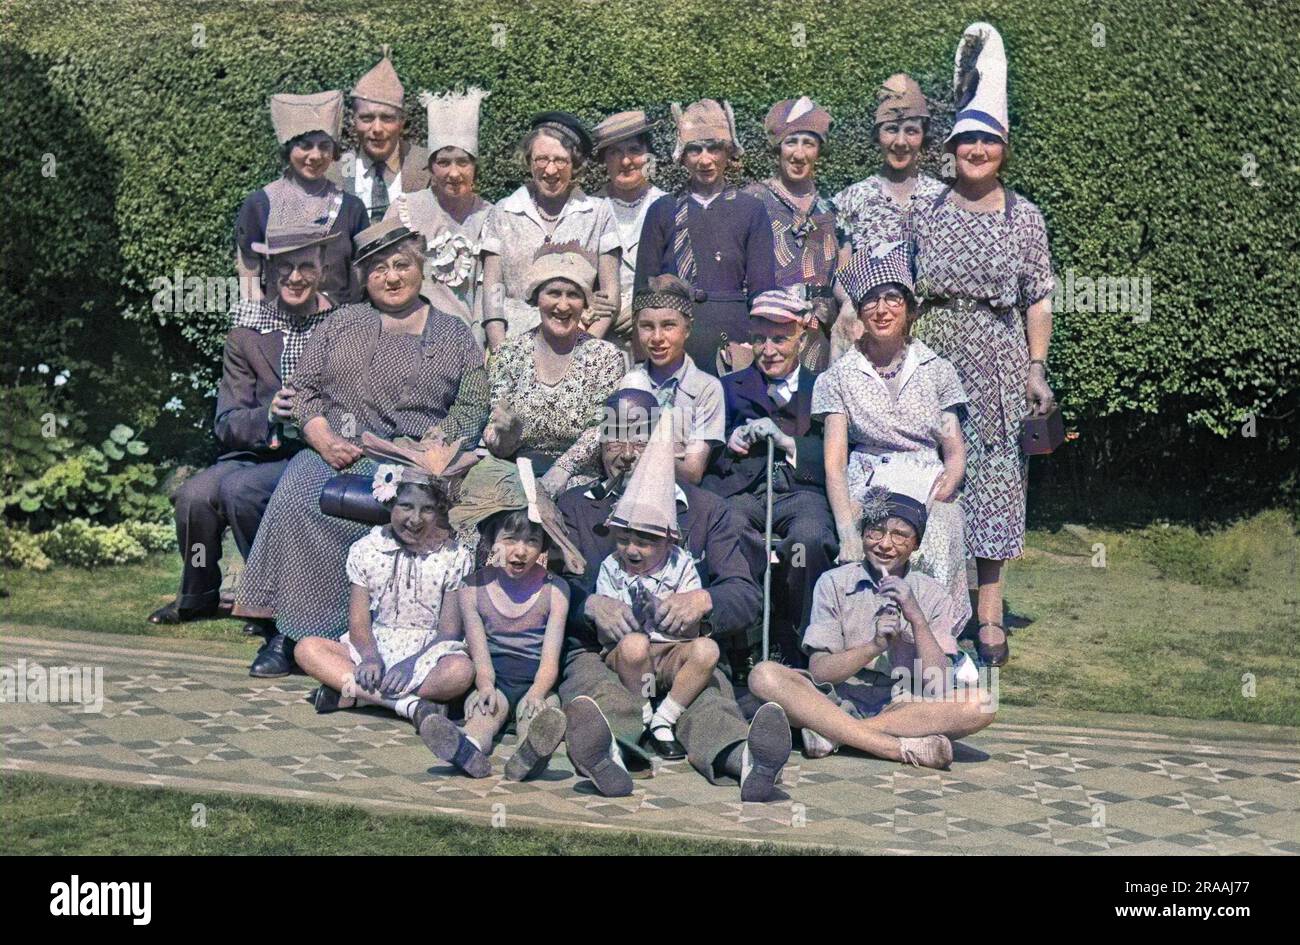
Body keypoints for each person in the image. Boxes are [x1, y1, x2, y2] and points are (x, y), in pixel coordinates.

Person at [233, 220, 490, 677]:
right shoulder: (340, 323)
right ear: (362, 278)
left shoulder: (454, 335)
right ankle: (287, 632)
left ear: (421, 267)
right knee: (297, 496)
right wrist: (321, 437)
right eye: (377, 270)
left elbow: (472, 405)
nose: (391, 278)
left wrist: (433, 451)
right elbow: (304, 390)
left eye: (401, 265)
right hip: (339, 451)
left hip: (416, 461)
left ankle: (393, 640)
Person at [556, 388, 791, 802]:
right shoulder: (576, 506)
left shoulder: (706, 510)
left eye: (639, 439)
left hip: (681, 654)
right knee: (600, 691)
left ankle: (746, 761)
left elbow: (744, 593)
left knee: (710, 701)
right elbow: (552, 583)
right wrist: (589, 604)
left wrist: (704, 601)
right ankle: (609, 756)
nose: (627, 454)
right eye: (614, 439)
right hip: (604, 651)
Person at [912, 23, 1056, 665]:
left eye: (988, 140)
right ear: (952, 148)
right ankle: (932, 605)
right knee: (934, 471)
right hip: (936, 353)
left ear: (1004, 148)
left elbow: (1039, 297)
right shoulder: (926, 209)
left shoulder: (1024, 216)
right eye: (966, 140)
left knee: (996, 478)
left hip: (999, 358)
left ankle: (990, 612)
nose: (976, 150)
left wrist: (1036, 367)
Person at [150, 227, 338, 630]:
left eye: (306, 267)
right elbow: (227, 421)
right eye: (285, 267)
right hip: (256, 451)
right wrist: (269, 414)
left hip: (316, 454)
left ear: (322, 270)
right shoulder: (246, 334)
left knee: (242, 492)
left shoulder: (341, 326)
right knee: (194, 496)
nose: (295, 277)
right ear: (268, 272)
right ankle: (198, 596)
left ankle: (268, 603)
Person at [747, 489, 996, 769]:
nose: (885, 544)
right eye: (875, 532)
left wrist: (916, 618)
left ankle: (836, 735)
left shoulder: (933, 594)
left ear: (916, 544)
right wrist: (873, 647)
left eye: (899, 535)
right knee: (763, 675)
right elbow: (820, 672)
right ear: (863, 534)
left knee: (983, 702)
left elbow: (937, 685)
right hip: (835, 701)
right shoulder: (833, 583)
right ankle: (895, 748)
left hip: (905, 705)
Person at [815, 241, 971, 629]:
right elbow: (834, 463)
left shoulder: (937, 370)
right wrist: (847, 531)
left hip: (926, 482)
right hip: (869, 484)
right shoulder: (838, 377)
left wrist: (944, 490)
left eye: (892, 299)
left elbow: (954, 451)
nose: (882, 310)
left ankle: (935, 642)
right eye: (871, 300)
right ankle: (871, 645)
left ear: (910, 310)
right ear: (859, 311)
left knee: (940, 531)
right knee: (866, 550)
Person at [701, 288, 837, 664]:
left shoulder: (823, 387)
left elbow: (836, 453)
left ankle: (805, 641)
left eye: (780, 339)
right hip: (744, 490)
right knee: (730, 530)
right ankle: (740, 639)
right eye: (760, 339)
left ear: (801, 339)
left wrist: (789, 442)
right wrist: (728, 443)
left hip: (801, 492)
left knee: (809, 540)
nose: (768, 350)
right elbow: (707, 455)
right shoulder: (727, 388)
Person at [294, 468, 475, 731]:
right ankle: (409, 706)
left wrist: (413, 664)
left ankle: (359, 697)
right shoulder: (366, 550)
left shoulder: (454, 556)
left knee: (461, 671)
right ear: (390, 503)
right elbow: (359, 623)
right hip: (375, 646)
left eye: (427, 509)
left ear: (438, 511)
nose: (415, 519)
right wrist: (370, 657)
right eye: (406, 506)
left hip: (427, 654)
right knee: (306, 649)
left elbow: (449, 631)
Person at [416, 509, 571, 780]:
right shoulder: (471, 588)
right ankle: (467, 749)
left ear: (543, 546)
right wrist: (485, 685)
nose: (520, 551)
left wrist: (537, 693)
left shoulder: (555, 590)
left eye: (532, 541)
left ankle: (529, 755)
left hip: (538, 683)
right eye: (510, 539)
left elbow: (550, 660)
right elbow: (479, 652)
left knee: (535, 718)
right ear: (491, 541)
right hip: (494, 681)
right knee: (482, 717)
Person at [595, 413, 714, 758]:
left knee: (708, 650)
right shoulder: (611, 567)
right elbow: (606, 633)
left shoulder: (681, 564)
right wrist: (634, 612)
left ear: (668, 541)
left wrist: (663, 610)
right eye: (624, 539)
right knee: (634, 645)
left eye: (644, 542)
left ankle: (666, 717)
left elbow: (692, 627)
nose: (632, 550)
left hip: (673, 652)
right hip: (631, 659)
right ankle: (643, 711)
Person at [635, 99, 776, 375]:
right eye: (694, 150)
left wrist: (756, 348)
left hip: (734, 340)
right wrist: (644, 359)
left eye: (714, 149)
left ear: (728, 152)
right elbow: (644, 291)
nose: (705, 160)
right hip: (672, 345)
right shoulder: (663, 210)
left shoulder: (750, 210)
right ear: (682, 156)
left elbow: (762, 291)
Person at [485, 245, 626, 496]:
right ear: (536, 298)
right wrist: (507, 436)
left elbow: (601, 427)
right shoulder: (508, 353)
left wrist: (562, 470)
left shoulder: (605, 357)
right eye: (553, 293)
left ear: (585, 303)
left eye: (573, 295)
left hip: (577, 477)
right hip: (515, 472)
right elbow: (495, 432)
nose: (563, 305)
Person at [479, 112, 621, 350]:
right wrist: (501, 350)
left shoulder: (598, 213)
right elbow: (493, 290)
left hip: (577, 344)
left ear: (575, 164)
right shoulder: (504, 212)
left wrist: (584, 350)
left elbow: (610, 297)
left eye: (561, 160)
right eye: (541, 159)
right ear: (529, 161)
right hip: (513, 343)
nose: (551, 170)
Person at [831, 74, 944, 359]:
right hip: (869, 325)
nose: (901, 142)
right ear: (877, 135)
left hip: (928, 330)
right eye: (891, 129)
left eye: (911, 131)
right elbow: (843, 275)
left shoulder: (943, 200)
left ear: (924, 136)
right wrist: (850, 305)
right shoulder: (853, 199)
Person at [234, 90, 368, 303]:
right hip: (279, 318)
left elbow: (359, 276)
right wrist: (263, 317)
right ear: (288, 149)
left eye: (324, 146)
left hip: (339, 318)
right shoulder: (260, 204)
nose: (315, 155)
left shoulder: (352, 208)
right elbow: (249, 274)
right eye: (305, 145)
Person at [743, 98, 844, 370]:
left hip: (817, 339)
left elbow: (843, 277)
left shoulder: (831, 210)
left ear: (819, 150)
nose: (799, 154)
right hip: (766, 339)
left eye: (808, 143)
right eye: (791, 142)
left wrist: (847, 308)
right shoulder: (752, 201)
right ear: (778, 148)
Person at [386, 87, 493, 341]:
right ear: (431, 168)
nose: (454, 173)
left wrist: (477, 343)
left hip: (469, 339)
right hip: (409, 335)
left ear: (475, 167)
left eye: (463, 162)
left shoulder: (490, 216)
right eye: (444, 162)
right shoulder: (404, 209)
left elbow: (489, 291)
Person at [619, 275, 725, 485]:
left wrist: (647, 448)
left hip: (676, 491)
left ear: (687, 329)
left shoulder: (707, 389)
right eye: (647, 326)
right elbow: (612, 457)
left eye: (668, 326)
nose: (657, 337)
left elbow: (692, 473)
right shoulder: (627, 381)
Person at [592, 109, 666, 354]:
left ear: (648, 156)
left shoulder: (668, 208)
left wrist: (645, 305)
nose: (625, 162)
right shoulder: (588, 210)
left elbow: (682, 279)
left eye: (634, 150)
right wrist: (588, 301)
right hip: (600, 339)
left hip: (657, 341)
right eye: (615, 152)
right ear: (604, 160)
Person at [329, 52, 431, 224]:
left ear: (401, 121)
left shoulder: (427, 166)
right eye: (367, 118)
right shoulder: (336, 171)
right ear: (353, 121)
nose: (377, 129)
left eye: (387, 118)